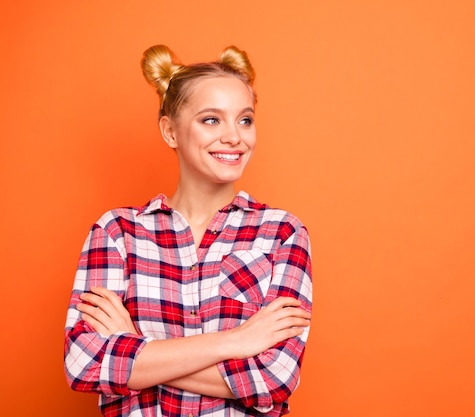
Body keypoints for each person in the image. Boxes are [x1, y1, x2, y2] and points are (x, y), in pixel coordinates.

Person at [63, 44, 313, 417]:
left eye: (245, 120)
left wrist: (135, 347)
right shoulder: (117, 233)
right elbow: (85, 363)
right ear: (170, 132)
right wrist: (237, 341)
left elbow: (273, 378)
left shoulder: (282, 234)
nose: (234, 137)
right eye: (211, 119)